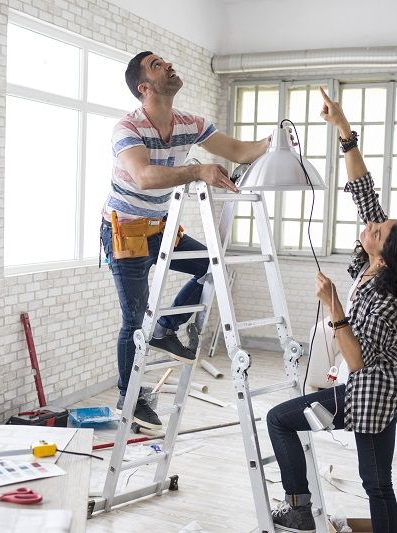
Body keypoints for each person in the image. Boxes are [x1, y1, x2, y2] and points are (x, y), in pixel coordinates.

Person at [265, 86, 397, 533]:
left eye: (377, 228)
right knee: (369, 476)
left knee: (372, 480)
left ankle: (302, 509)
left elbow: (357, 361)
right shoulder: (376, 262)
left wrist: (334, 304)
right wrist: (343, 129)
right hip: (372, 387)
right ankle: (310, 509)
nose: (371, 223)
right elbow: (364, 192)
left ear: (386, 252)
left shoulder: (385, 298)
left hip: (374, 394)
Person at [100, 51, 272, 430]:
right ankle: (131, 397)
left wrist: (277, 141)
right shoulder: (127, 128)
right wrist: (198, 170)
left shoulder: (189, 124)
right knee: (134, 319)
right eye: (157, 66)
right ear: (144, 88)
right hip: (125, 231)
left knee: (213, 268)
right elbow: (144, 177)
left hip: (161, 227)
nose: (169, 66)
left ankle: (166, 328)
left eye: (167, 62)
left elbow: (242, 151)